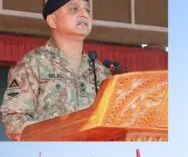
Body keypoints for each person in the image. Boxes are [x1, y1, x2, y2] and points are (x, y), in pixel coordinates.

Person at [1, 0, 112, 140]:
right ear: (53, 21)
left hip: (92, 150)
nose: (84, 14)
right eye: (74, 9)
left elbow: (111, 119)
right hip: (50, 150)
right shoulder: (33, 63)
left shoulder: (100, 71)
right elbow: (13, 119)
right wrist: (54, 136)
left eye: (87, 10)